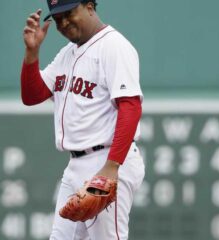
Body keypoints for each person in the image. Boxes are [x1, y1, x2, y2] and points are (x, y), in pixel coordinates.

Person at [21, 0, 145, 239]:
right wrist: (32, 53)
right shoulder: (67, 53)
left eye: (69, 13)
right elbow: (32, 95)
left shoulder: (113, 46)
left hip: (107, 159)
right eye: (58, 19)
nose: (64, 23)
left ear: (89, 6)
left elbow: (130, 106)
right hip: (76, 165)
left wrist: (111, 168)